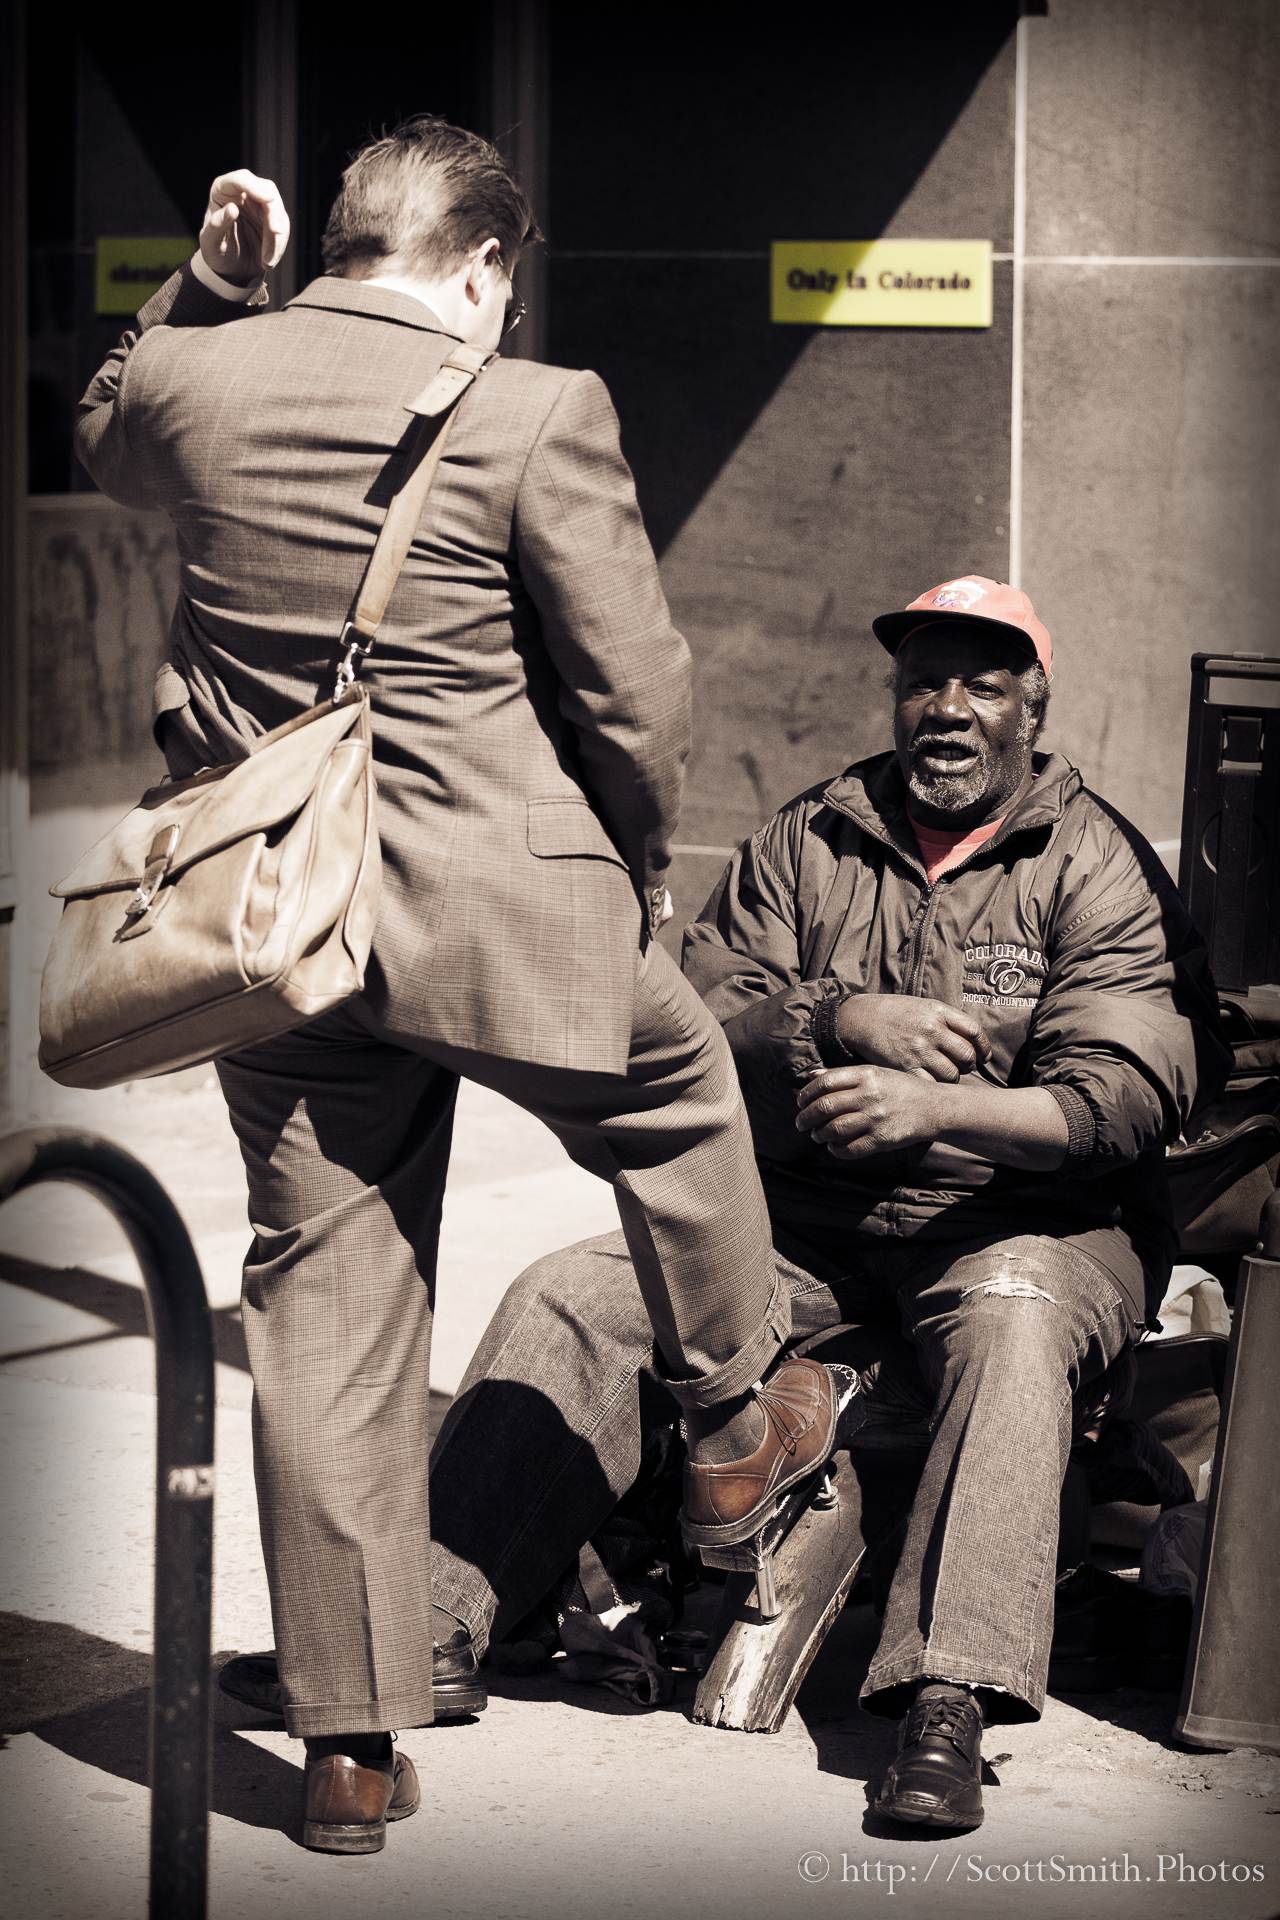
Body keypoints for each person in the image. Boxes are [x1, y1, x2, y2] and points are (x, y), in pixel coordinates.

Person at [74, 121, 841, 1852]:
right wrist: (638, 869)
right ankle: (733, 1425)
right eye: (507, 280)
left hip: (281, 935)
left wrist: (206, 278)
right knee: (679, 1093)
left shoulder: (205, 379)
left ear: (335, 242)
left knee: (328, 1299)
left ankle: (348, 1746)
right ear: (485, 264)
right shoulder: (533, 406)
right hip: (512, 916)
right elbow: (637, 695)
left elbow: (101, 426)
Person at [411, 575, 1226, 1833]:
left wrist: (936, 1110)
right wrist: (839, 1018)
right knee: (573, 1295)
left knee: (1010, 1325)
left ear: (1032, 708)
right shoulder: (812, 835)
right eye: (922, 682)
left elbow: (1122, 1099)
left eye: (982, 685)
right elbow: (692, 1011)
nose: (945, 711)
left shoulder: (1095, 863)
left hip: (1020, 1227)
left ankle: (948, 1697)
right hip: (799, 1225)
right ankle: (425, 1624)